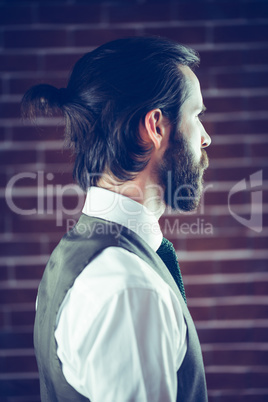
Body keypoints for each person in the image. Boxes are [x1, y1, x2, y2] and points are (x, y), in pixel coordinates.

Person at [22, 36, 211, 402]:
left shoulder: (81, 253)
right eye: (196, 115)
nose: (205, 137)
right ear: (156, 126)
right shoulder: (129, 290)